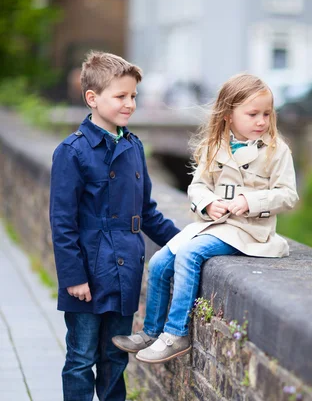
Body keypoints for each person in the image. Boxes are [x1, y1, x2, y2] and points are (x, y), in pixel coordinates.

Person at [112, 73, 299, 364]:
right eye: (252, 114)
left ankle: (176, 334)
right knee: (160, 262)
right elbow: (198, 186)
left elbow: (288, 195)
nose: (261, 121)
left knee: (189, 254)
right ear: (228, 115)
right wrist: (208, 203)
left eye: (266, 114)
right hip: (214, 225)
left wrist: (248, 201)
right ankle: (151, 332)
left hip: (247, 232)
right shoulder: (216, 146)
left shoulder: (276, 151)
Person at [49, 51, 180, 401]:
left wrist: (182, 242)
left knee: (114, 354)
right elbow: (62, 222)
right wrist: (73, 277)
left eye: (134, 96)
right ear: (92, 98)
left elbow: (147, 213)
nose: (129, 104)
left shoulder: (135, 148)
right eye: (120, 96)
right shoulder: (71, 152)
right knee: (81, 355)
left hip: (126, 270)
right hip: (87, 273)